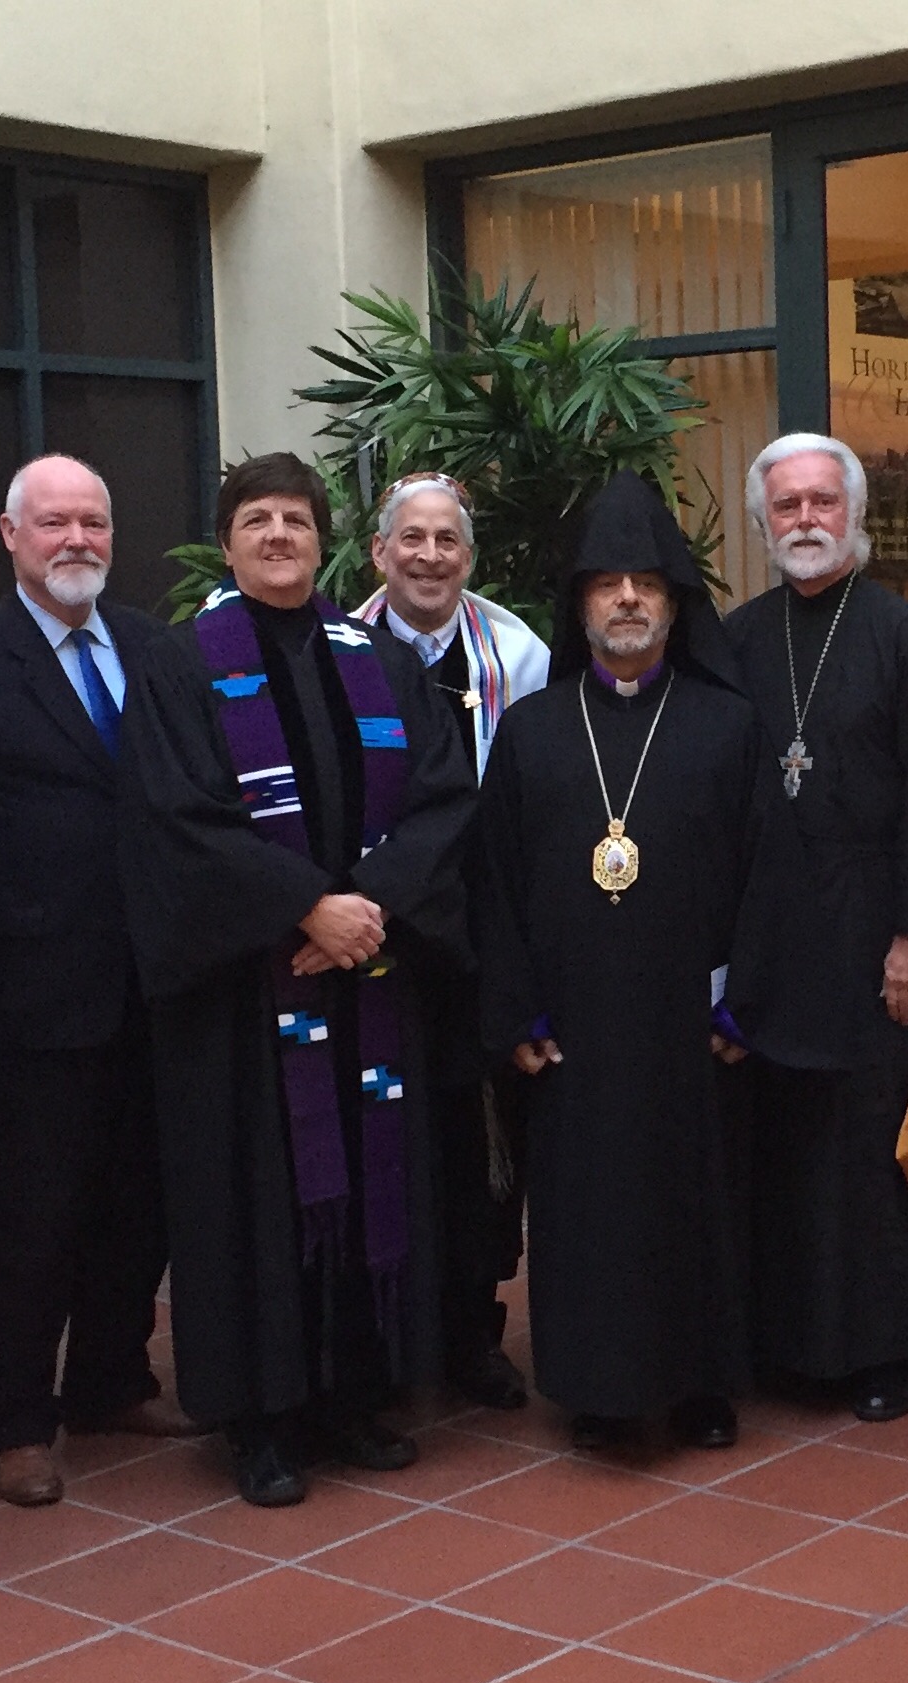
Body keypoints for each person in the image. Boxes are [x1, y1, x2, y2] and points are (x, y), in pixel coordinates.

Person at [117, 452, 477, 1507]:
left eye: (298, 520)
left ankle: (352, 1396)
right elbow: (176, 822)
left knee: (369, 1182)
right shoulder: (185, 666)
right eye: (257, 519)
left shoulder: (381, 660)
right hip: (242, 1001)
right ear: (225, 541)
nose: (279, 535)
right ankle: (261, 1419)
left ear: (325, 542)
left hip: (369, 977)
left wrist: (366, 908)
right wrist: (301, 908)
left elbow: (445, 799)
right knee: (254, 1203)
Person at [0, 454, 189, 1510]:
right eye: (55, 522)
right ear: (12, 535)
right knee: (27, 1219)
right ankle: (16, 1418)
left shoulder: (158, 652)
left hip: (148, 989)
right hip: (26, 996)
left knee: (134, 1204)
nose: (78, 540)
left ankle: (111, 1379)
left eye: (95, 522)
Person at [475, 472, 763, 1449]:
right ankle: (596, 1389)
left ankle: (702, 1384)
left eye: (647, 582)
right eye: (607, 584)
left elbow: (771, 875)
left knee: (695, 1201)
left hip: (693, 1026)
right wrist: (515, 1014)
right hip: (576, 1033)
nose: (629, 598)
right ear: (580, 604)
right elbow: (495, 886)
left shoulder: (729, 726)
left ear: (676, 603)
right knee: (587, 1210)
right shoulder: (530, 733)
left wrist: (743, 1004)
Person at [719, 433, 908, 1422]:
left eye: (824, 501)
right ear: (763, 522)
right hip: (770, 939)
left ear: (855, 514)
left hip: (873, 939)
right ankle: (791, 1339)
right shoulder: (739, 638)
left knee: (872, 1145)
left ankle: (884, 1349)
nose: (807, 520)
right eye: (788, 506)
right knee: (782, 1146)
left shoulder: (902, 635)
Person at [349, 471, 551, 1411]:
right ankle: (388, 1337)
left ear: (469, 559)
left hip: (479, 931)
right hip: (374, 928)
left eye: (448, 542)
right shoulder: (339, 649)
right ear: (379, 552)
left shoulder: (517, 655)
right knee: (388, 1133)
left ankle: (472, 1330)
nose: (429, 555)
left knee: (479, 1152)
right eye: (412, 539)